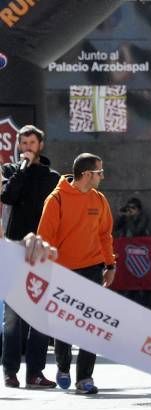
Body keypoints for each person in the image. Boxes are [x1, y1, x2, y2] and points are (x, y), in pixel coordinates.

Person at [37, 153, 116, 395]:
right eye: (99, 172)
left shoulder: (99, 199)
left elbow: (105, 235)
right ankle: (62, 366)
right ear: (86, 174)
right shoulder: (57, 199)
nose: (102, 176)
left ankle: (85, 378)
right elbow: (44, 238)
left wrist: (110, 265)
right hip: (62, 270)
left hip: (92, 268)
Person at [1, 124, 60, 389]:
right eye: (23, 143)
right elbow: (8, 197)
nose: (26, 148)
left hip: (42, 250)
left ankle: (35, 372)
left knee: (39, 315)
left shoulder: (51, 176)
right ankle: (10, 370)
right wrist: (20, 171)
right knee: (13, 317)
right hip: (15, 249)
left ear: (40, 145)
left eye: (31, 143)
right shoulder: (11, 172)